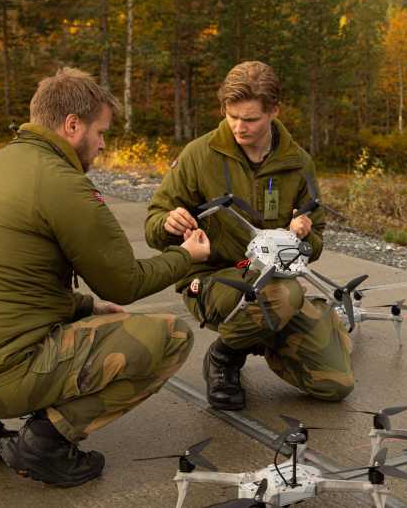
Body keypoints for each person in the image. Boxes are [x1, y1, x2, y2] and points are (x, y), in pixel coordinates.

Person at [0, 68, 211, 488]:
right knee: (170, 337)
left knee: (38, 327)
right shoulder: (64, 184)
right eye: (101, 131)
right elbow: (124, 283)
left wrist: (87, 306)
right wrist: (186, 256)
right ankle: (46, 443)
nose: (104, 144)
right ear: (73, 125)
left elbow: (11, 283)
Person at [144, 60, 353, 411]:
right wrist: (169, 223)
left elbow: (315, 242)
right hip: (211, 281)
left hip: (274, 280)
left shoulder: (298, 163)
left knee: (336, 384)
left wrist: (302, 237)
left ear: (274, 111)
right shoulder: (199, 155)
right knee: (284, 295)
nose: (239, 127)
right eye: (232, 116)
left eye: (251, 119)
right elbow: (153, 227)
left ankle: (268, 329)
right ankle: (225, 357)